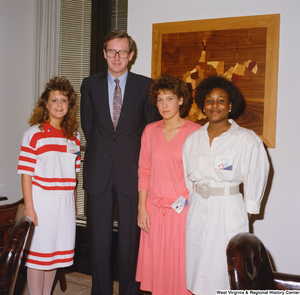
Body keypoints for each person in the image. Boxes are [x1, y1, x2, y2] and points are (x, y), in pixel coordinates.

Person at [80, 30, 161, 295]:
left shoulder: (146, 86)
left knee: (130, 243)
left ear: (131, 55)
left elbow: (150, 131)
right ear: (104, 53)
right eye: (112, 51)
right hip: (99, 172)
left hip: (132, 174)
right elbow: (88, 126)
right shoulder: (89, 85)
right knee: (99, 240)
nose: (117, 57)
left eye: (122, 51)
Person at [182, 75, 270, 294]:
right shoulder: (193, 139)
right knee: (197, 266)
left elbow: (258, 175)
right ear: (203, 104)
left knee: (225, 269)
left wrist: (247, 211)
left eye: (221, 100)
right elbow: (187, 178)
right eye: (210, 100)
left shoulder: (246, 139)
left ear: (230, 105)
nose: (215, 105)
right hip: (198, 209)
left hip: (228, 210)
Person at [136, 75, 200, 295]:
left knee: (180, 272)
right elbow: (144, 171)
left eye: (169, 98)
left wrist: (179, 204)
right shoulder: (149, 131)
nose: (164, 105)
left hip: (181, 211)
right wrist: (141, 208)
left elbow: (198, 177)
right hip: (153, 210)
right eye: (160, 99)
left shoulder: (195, 132)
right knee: (157, 273)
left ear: (181, 100)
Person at [17, 77, 80, 295]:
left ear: (70, 105)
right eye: (55, 100)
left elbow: (73, 176)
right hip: (41, 203)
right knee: (38, 256)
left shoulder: (75, 138)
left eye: (64, 100)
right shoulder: (33, 134)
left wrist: (73, 204)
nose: (59, 105)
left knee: (53, 255)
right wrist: (30, 209)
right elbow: (26, 175)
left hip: (64, 206)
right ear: (46, 104)